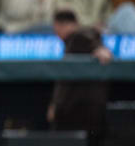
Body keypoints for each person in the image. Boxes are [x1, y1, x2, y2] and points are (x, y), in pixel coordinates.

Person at [47, 10, 112, 146]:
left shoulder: (77, 36)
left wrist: (99, 49)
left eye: (56, 28)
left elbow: (89, 40)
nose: (56, 33)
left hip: (80, 113)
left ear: (60, 25)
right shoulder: (78, 37)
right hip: (90, 113)